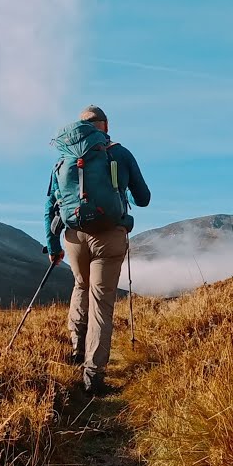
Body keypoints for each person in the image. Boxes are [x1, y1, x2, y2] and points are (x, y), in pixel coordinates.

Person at [44, 105, 151, 395]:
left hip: (73, 236)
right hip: (109, 235)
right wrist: (122, 192)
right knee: (102, 302)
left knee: (80, 286)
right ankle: (93, 376)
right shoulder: (119, 152)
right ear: (104, 125)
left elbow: (50, 205)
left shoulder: (64, 158)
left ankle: (76, 351)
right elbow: (143, 199)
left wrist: (54, 247)